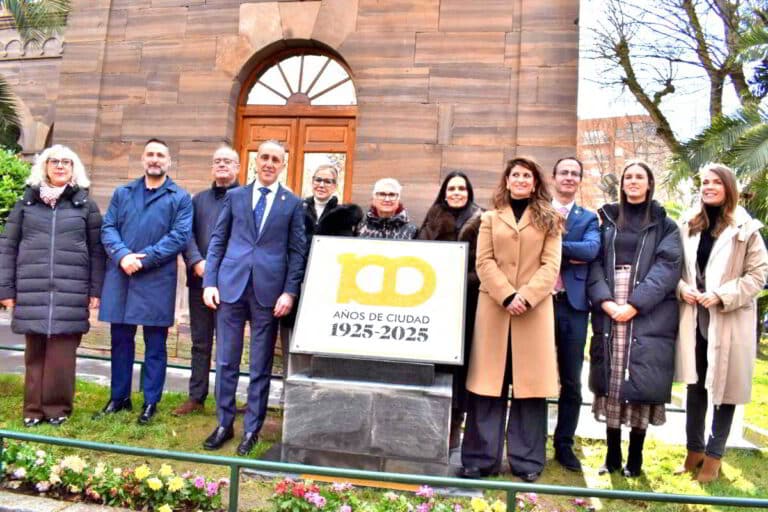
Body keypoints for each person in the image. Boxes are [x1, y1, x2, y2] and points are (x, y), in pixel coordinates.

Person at [460, 157, 562, 482]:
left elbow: (551, 265)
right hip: (494, 309)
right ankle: (479, 459)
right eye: (515, 174)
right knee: (486, 385)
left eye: (526, 175)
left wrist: (526, 296)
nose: (520, 179)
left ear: (535, 183)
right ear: (506, 181)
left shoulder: (550, 219)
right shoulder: (489, 218)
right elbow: (484, 261)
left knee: (529, 388)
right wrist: (506, 295)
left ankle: (527, 460)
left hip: (533, 312)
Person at [202, 139, 306, 456]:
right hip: (230, 287)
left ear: (282, 165)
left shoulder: (292, 203)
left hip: (269, 293)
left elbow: (297, 252)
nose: (269, 163)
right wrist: (210, 282)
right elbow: (218, 241)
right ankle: (224, 424)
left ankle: (252, 430)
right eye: (264, 157)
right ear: (255, 161)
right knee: (226, 360)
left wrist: (289, 291)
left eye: (276, 159)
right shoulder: (235, 197)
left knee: (260, 364)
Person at [587, 160, 682, 477]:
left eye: (639, 177)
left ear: (649, 183)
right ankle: (612, 456)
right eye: (628, 176)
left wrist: (635, 304)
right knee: (613, 377)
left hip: (648, 308)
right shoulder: (607, 220)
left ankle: (635, 458)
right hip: (609, 303)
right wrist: (605, 300)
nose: (633, 181)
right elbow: (594, 263)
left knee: (640, 376)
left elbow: (667, 268)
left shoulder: (665, 225)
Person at [674, 163, 768, 483]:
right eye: (704, 182)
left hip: (729, 319)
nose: (709, 187)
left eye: (716, 182)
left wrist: (721, 295)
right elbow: (675, 267)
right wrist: (682, 288)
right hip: (694, 318)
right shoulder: (688, 224)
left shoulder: (746, 229)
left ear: (729, 188)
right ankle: (693, 451)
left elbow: (758, 276)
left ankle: (714, 456)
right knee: (695, 386)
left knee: (726, 388)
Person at [0, 145, 105, 427]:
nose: (60, 166)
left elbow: (97, 251)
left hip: (71, 290)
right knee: (34, 354)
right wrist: (6, 290)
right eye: (54, 161)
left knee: (62, 354)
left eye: (66, 162)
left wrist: (95, 290)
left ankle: (57, 408)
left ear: (74, 168)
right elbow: (7, 248)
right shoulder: (26, 204)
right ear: (44, 167)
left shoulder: (86, 206)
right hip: (31, 289)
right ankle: (33, 410)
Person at [97, 138, 193, 424]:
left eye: (160, 155)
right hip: (122, 276)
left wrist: (144, 259)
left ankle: (151, 402)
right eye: (150, 154)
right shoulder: (122, 193)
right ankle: (119, 397)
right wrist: (123, 255)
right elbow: (108, 228)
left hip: (156, 279)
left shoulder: (180, 197)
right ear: (142, 159)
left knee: (155, 345)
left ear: (169, 161)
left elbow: (179, 236)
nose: (155, 159)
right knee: (120, 341)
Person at [417, 171, 483, 449]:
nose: (456, 193)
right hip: (434, 302)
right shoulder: (432, 217)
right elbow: (419, 254)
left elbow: (486, 262)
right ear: (445, 192)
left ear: (469, 192)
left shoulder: (482, 219)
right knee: (435, 362)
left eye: (461, 189)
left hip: (468, 302)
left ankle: (455, 423)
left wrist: (461, 281)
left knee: (461, 365)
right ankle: (429, 421)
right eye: (452, 188)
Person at [173, 146, 240, 416]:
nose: (222, 165)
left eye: (227, 161)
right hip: (199, 281)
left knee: (228, 344)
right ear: (212, 167)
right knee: (200, 342)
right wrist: (196, 262)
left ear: (237, 167)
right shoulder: (197, 200)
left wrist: (225, 271)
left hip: (232, 284)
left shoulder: (245, 199)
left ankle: (226, 399)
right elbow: (186, 235)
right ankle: (196, 397)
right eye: (217, 161)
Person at [549, 157, 601, 472]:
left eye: (574, 173)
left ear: (580, 180)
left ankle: (564, 444)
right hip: (539, 304)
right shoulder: (539, 211)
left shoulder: (589, 218)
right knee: (535, 376)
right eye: (564, 172)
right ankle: (530, 440)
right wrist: (572, 250)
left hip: (574, 306)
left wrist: (554, 247)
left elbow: (591, 250)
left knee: (571, 380)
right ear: (553, 177)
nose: (569, 177)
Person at [302, 163, 363, 244]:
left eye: (327, 182)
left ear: (335, 186)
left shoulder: (344, 216)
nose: (321, 185)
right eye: (318, 180)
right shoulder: (299, 209)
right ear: (312, 182)